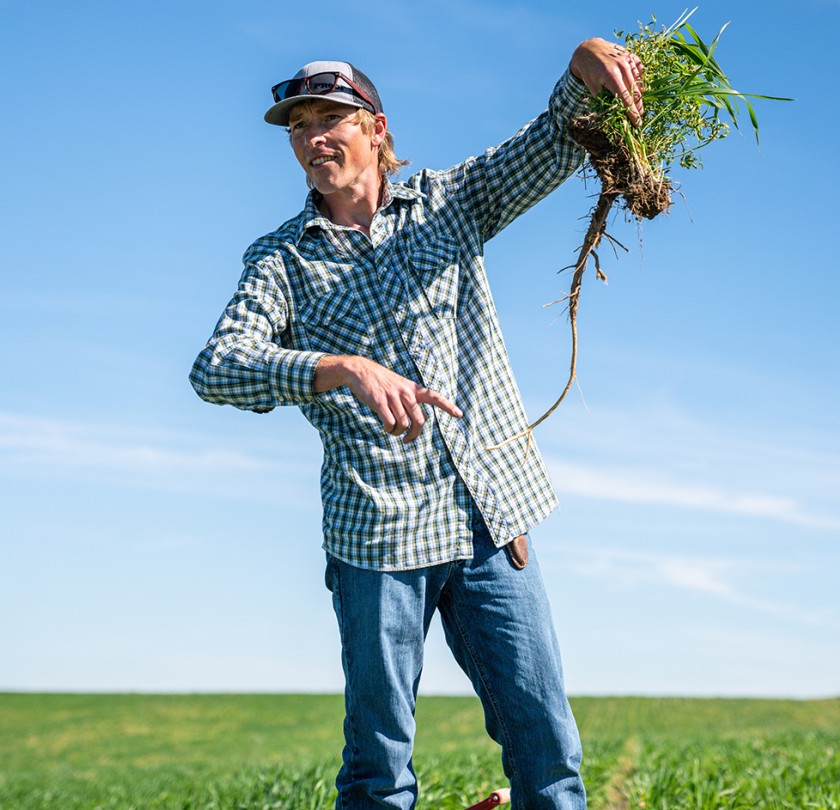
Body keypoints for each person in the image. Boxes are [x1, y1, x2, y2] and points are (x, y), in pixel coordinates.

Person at [189, 39, 644, 810]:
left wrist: (581, 69)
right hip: (378, 539)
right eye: (299, 127)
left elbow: (549, 144)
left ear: (376, 129)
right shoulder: (281, 262)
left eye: (329, 119)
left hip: (491, 520)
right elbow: (216, 368)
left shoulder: (447, 204)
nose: (312, 138)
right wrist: (338, 367)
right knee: (378, 768)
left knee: (547, 747)